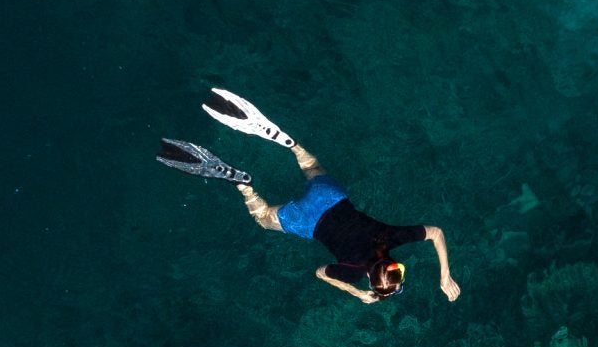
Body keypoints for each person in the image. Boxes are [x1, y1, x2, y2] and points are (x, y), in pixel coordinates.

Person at [159, 88, 460, 306]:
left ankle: (289, 143)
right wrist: (355, 293)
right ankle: (242, 182)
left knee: (312, 166)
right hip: (310, 221)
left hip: (331, 197)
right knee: (263, 219)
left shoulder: (391, 238)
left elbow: (435, 232)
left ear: (394, 264)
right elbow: (319, 273)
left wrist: (444, 275)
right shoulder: (352, 272)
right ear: (370, 279)